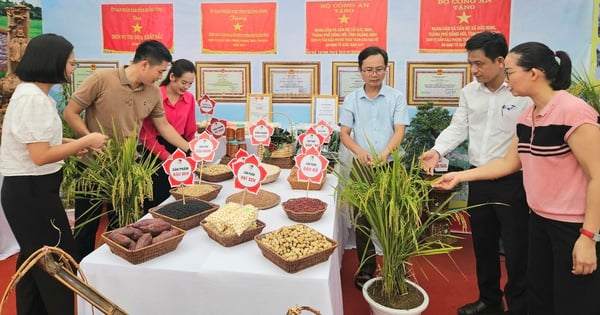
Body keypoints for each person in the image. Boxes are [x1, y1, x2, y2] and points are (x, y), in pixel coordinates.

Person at [434, 42, 600, 315]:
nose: (506, 78)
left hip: (571, 227)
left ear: (534, 73)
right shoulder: (528, 115)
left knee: (573, 301)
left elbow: (597, 176)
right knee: (540, 296)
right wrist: (459, 176)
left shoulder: (575, 113)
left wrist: (588, 236)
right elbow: (508, 163)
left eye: (510, 72)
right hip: (539, 220)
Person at [421, 32, 531, 315]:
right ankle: (489, 301)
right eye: (470, 63)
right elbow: (459, 126)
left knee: (518, 251)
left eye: (479, 63)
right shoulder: (470, 92)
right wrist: (438, 150)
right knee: (483, 244)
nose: (474, 70)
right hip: (477, 178)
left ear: (500, 61)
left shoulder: (521, 93)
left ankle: (519, 306)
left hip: (513, 182)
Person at [0, 33, 107, 315]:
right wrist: (85, 141)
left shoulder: (36, 95)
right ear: (53, 62)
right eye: (70, 62)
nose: (73, 68)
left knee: (34, 260)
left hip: (33, 190)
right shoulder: (33, 99)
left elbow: (43, 143)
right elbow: (40, 156)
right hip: (31, 192)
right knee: (57, 262)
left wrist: (76, 146)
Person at [64, 40, 191, 258]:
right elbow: (70, 113)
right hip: (92, 166)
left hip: (127, 171)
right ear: (144, 64)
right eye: (159, 71)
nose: (159, 78)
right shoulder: (102, 79)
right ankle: (80, 276)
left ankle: (114, 274)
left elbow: (164, 126)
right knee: (86, 228)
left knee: (123, 228)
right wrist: (87, 139)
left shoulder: (152, 92)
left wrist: (190, 149)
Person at [338, 46, 410, 289]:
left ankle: (395, 268)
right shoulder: (351, 99)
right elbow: (345, 134)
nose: (374, 74)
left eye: (379, 69)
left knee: (394, 218)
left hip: (390, 166)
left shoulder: (396, 97)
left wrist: (385, 153)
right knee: (363, 221)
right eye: (369, 69)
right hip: (362, 167)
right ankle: (366, 270)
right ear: (360, 71)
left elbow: (400, 130)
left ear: (386, 69)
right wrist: (361, 152)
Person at [139, 59, 198, 210]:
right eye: (184, 82)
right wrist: (167, 157)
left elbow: (190, 129)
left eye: (190, 84)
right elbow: (146, 135)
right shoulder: (154, 95)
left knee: (180, 196)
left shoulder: (189, 98)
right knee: (156, 198)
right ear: (172, 77)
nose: (186, 87)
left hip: (180, 147)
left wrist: (192, 152)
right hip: (154, 152)